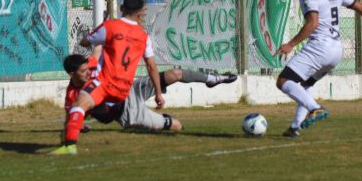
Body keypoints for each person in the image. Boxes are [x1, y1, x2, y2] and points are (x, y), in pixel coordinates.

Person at [275, 0, 362, 138]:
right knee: (305, 84)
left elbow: (313, 22)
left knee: (284, 81)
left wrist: (290, 44)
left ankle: (315, 109)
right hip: (336, 51)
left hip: (319, 47)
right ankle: (295, 127)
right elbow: (359, 5)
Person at [50, 0, 161, 155]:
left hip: (105, 85)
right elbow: (151, 66)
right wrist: (158, 92)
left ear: (122, 8)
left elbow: (88, 43)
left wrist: (93, 37)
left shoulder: (110, 27)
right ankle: (72, 135)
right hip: (123, 92)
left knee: (77, 106)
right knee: (80, 107)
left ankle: (70, 146)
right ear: (140, 13)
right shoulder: (144, 36)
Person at [61, 53, 238, 133]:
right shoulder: (73, 96)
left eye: (87, 69)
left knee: (174, 73)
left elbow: (97, 50)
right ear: (71, 75)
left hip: (131, 91)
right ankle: (164, 122)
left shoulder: (90, 66)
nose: (88, 72)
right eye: (83, 71)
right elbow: (72, 117)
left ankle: (213, 79)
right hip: (127, 113)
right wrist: (79, 126)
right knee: (175, 125)